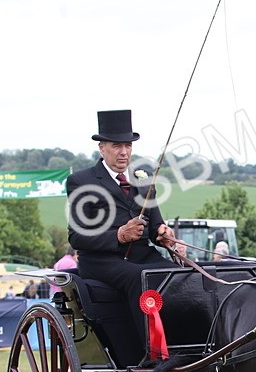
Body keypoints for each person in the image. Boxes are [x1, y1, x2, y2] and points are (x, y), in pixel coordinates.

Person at [65, 110, 175, 357]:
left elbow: (156, 228)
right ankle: (152, 354)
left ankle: (186, 345)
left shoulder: (143, 179)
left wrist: (164, 234)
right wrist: (119, 236)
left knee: (179, 275)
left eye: (128, 145)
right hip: (101, 261)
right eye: (117, 146)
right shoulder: (81, 181)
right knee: (141, 277)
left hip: (141, 256)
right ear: (102, 148)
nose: (124, 152)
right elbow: (76, 237)